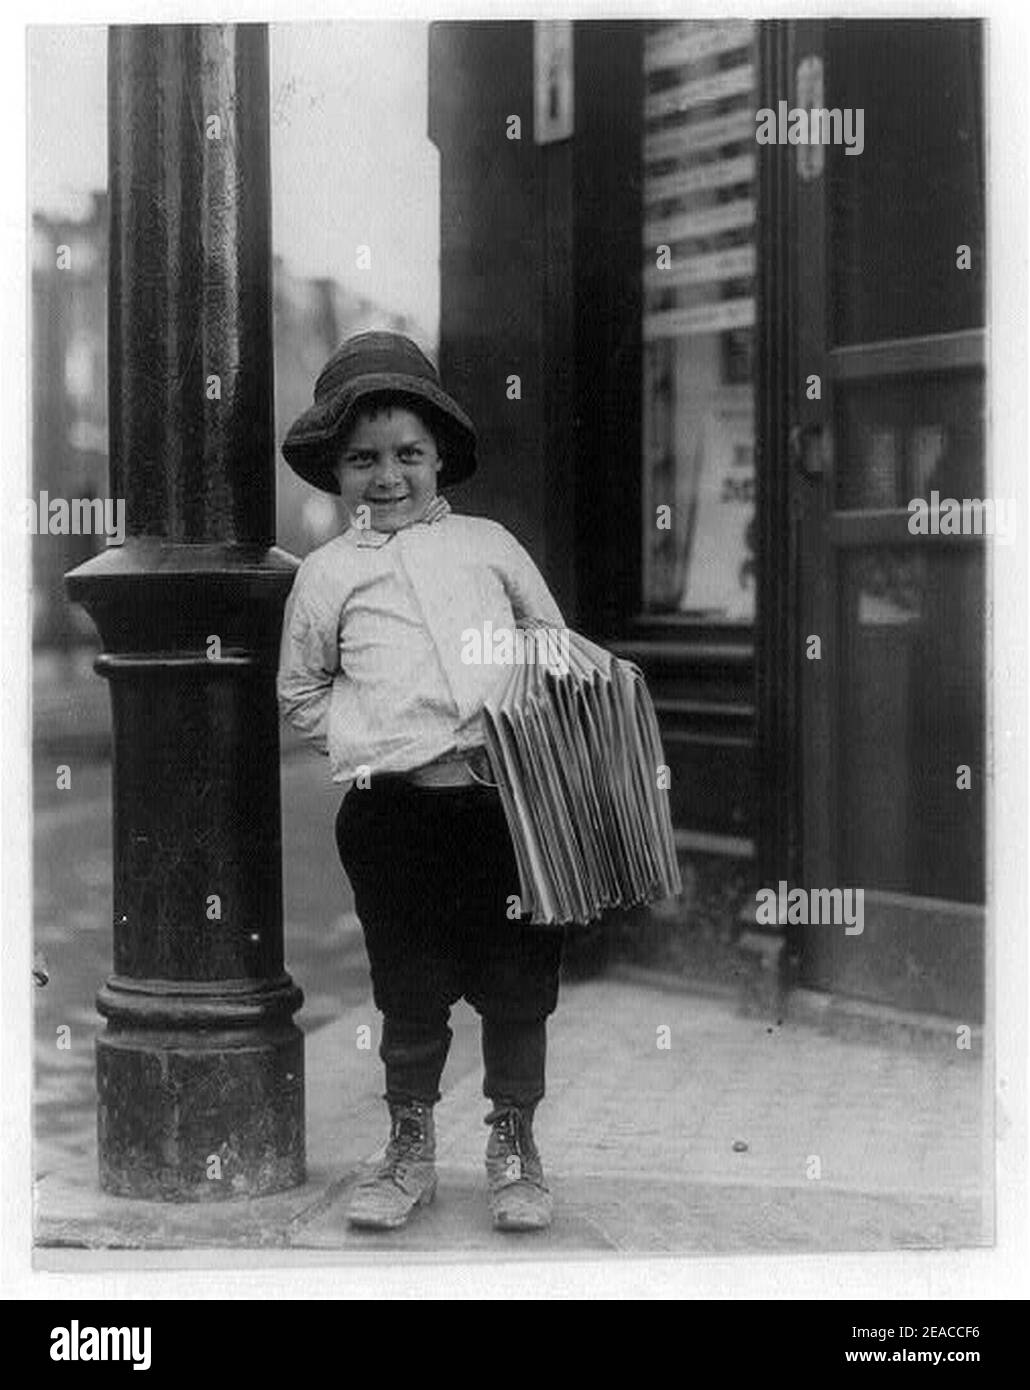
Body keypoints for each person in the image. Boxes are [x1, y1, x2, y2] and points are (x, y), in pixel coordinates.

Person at [277, 330, 566, 1233]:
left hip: (501, 810)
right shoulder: (326, 576)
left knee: (517, 979)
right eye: (363, 460)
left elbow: (554, 649)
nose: (388, 476)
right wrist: (371, 738)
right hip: (390, 817)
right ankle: (409, 1147)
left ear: (441, 456)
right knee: (409, 982)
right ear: (335, 472)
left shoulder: (489, 547)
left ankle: (515, 1143)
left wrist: (518, 722)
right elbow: (300, 689)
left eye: (408, 454)